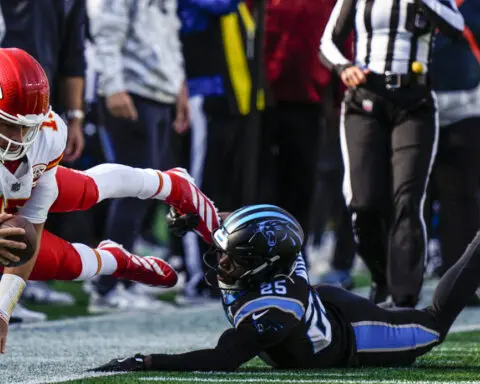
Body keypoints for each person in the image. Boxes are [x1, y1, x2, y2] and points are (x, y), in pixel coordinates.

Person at [0, 48, 218, 353]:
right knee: (65, 264)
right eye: (10, 124)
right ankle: (115, 259)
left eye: (28, 126)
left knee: (82, 193)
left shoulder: (47, 134)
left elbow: (32, 226)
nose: (21, 137)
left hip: (21, 186)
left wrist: (2, 311)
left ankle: (170, 183)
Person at [91, 204, 480, 372]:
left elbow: (224, 358)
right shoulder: (271, 255)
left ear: (261, 264)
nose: (222, 261)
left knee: (432, 325)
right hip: (321, 302)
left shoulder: (276, 309)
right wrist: (194, 218)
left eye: (235, 258)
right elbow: (233, 225)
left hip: (354, 337)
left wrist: (150, 361)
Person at [319, 0, 464, 307]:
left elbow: (456, 27)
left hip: (414, 103)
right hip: (365, 101)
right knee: (364, 202)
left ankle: (405, 297)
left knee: (407, 200)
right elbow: (328, 42)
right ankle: (380, 276)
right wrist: (344, 67)